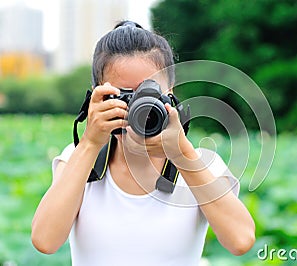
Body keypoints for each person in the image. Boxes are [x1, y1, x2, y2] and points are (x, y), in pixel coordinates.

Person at [31, 21, 255, 266]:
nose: (139, 109)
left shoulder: (201, 163)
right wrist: (90, 143)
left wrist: (181, 154)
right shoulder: (81, 161)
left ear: (172, 94)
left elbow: (241, 240)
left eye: (150, 95)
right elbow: (45, 241)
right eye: (124, 96)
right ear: (96, 97)